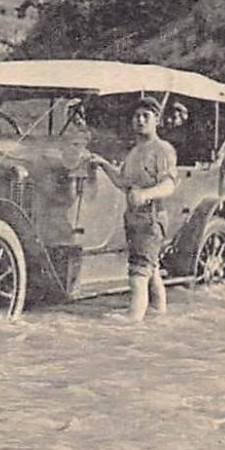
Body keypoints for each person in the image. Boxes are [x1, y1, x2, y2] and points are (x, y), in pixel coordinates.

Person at [91, 95, 179, 321]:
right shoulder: (135, 151)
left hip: (151, 217)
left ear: (156, 120)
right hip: (134, 218)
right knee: (152, 268)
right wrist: (103, 164)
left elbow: (169, 184)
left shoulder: (162, 149)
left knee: (138, 273)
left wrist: (146, 194)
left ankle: (134, 317)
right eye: (136, 116)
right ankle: (158, 311)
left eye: (145, 116)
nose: (140, 120)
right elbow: (123, 182)